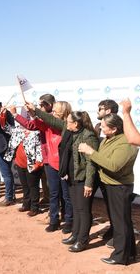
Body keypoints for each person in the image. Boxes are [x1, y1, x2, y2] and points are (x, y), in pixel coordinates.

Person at [28, 106, 99, 252]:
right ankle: (75, 234)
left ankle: (82, 240)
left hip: (83, 178)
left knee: (83, 210)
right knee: (76, 208)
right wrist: (35, 110)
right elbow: (51, 120)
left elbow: (91, 162)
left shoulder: (88, 136)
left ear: (76, 124)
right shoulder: (69, 130)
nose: (66, 123)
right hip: (71, 176)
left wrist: (88, 184)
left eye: (69, 122)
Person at [78, 114, 138, 265]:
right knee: (122, 221)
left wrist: (91, 152)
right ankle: (129, 253)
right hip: (111, 185)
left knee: (120, 223)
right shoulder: (111, 139)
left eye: (104, 126)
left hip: (119, 187)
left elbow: (113, 165)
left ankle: (120, 256)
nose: (101, 128)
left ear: (114, 129)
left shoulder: (125, 143)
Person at [23, 101, 74, 233]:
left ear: (64, 112)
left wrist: (36, 110)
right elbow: (34, 124)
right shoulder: (48, 124)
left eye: (57, 110)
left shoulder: (67, 125)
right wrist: (32, 113)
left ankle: (68, 220)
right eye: (54, 110)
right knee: (54, 194)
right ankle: (54, 220)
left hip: (64, 165)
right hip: (51, 164)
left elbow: (53, 122)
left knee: (66, 196)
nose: (53, 112)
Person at [0, 106, 43, 216]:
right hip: (20, 163)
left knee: (33, 186)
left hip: (32, 164)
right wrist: (3, 114)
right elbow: (4, 126)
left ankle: (35, 207)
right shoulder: (18, 131)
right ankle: (26, 204)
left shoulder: (37, 132)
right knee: (25, 186)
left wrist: (38, 164)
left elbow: (40, 150)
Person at [93, 99, 118, 244]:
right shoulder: (97, 126)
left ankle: (118, 233)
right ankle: (113, 228)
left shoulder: (118, 126)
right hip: (98, 171)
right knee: (108, 204)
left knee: (115, 205)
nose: (98, 111)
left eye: (100, 108)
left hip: (111, 173)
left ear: (108, 111)